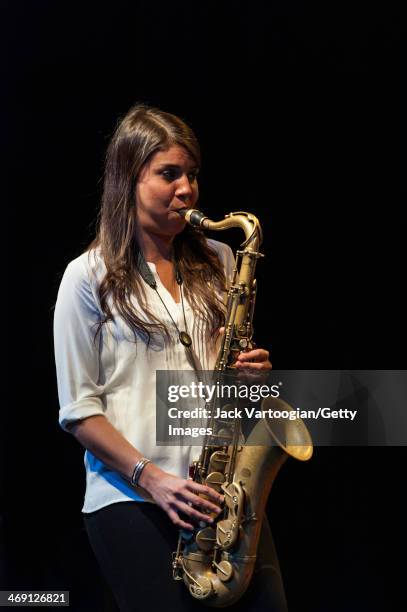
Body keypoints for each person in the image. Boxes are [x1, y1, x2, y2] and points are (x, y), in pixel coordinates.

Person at [53, 104, 287, 611]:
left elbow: (225, 387)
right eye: (169, 174)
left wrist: (248, 376)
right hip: (133, 501)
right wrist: (153, 479)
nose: (187, 189)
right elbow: (77, 411)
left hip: (222, 497)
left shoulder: (220, 260)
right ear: (128, 179)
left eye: (192, 174)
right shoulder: (85, 277)